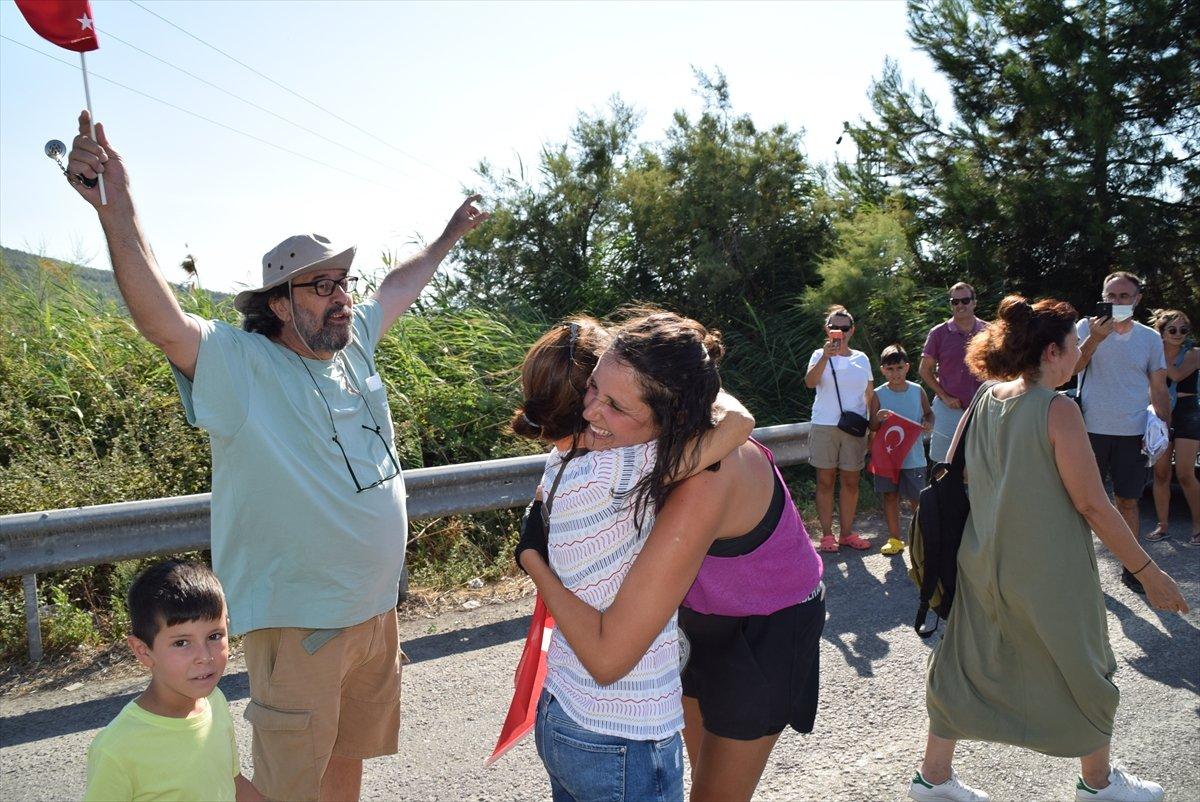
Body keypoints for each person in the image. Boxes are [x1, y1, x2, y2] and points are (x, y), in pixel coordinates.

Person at [64, 111, 488, 801]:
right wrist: (118, 204)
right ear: (279, 305)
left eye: (343, 281)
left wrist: (448, 236)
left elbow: (400, 287)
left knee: (347, 761)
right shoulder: (243, 367)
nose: (342, 297)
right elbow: (161, 319)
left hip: (373, 612)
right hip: (301, 625)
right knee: (294, 785)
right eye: (322, 286)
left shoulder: (353, 344)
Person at [521, 312, 825, 802]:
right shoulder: (648, 433)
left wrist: (533, 556)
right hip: (694, 616)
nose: (592, 413)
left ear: (672, 417)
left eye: (617, 406)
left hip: (765, 629)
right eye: (593, 390)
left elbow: (609, 654)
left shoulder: (706, 472)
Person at [909, 296, 1188, 802]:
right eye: (1075, 346)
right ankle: (1097, 784)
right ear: (1053, 352)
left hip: (982, 557)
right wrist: (1148, 572)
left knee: (964, 662)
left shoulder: (986, 397)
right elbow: (1094, 505)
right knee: (1083, 664)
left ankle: (932, 777)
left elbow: (956, 472)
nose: (1080, 353)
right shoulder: (1058, 408)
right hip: (1047, 565)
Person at [83, 560, 261, 801]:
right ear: (143, 651)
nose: (205, 657)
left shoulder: (214, 702)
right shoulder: (116, 749)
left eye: (215, 636)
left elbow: (233, 783)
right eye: (181, 643)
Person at [1074, 272, 1171, 594]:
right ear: (1103, 296)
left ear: (1137, 299)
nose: (1116, 303)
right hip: (1088, 429)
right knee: (1081, 503)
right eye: (1111, 296)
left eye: (1124, 297)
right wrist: (1095, 339)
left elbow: (1158, 387)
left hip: (1133, 432)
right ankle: (1078, 568)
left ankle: (1133, 568)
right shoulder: (1086, 328)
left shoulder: (1150, 338)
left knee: (1128, 501)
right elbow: (1069, 369)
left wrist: (1164, 431)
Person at [805, 305, 875, 552]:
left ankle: (846, 533)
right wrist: (826, 356)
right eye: (835, 327)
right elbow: (810, 383)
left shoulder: (862, 359)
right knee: (825, 482)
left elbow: (869, 395)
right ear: (827, 329)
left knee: (851, 481)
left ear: (852, 330)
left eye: (845, 328)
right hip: (825, 424)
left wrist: (873, 428)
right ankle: (827, 535)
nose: (840, 332)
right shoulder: (818, 355)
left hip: (854, 428)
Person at [868, 344, 933, 555]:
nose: (895, 373)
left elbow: (929, 413)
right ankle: (895, 539)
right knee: (890, 496)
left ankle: (921, 539)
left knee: (917, 498)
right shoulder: (878, 394)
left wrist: (928, 422)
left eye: (898, 368)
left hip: (913, 456)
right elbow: (872, 426)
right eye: (889, 369)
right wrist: (877, 418)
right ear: (882, 370)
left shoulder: (917, 390)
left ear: (907, 367)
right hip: (888, 458)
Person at [920, 282, 988, 464]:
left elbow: (1002, 368)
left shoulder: (989, 332)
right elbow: (924, 370)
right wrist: (944, 397)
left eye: (965, 300)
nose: (960, 305)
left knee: (985, 461)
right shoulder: (938, 333)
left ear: (974, 302)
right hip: (949, 408)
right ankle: (944, 493)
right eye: (955, 301)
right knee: (944, 463)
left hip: (984, 407)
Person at [1147, 310, 1200, 545]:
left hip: (1188, 412)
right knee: (1161, 473)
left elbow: (1176, 374)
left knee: (1186, 473)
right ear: (1162, 331)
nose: (1178, 334)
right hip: (1161, 412)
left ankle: (1198, 527)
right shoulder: (1152, 352)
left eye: (1183, 330)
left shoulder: (1195, 353)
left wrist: (1155, 351)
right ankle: (1162, 525)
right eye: (1172, 329)